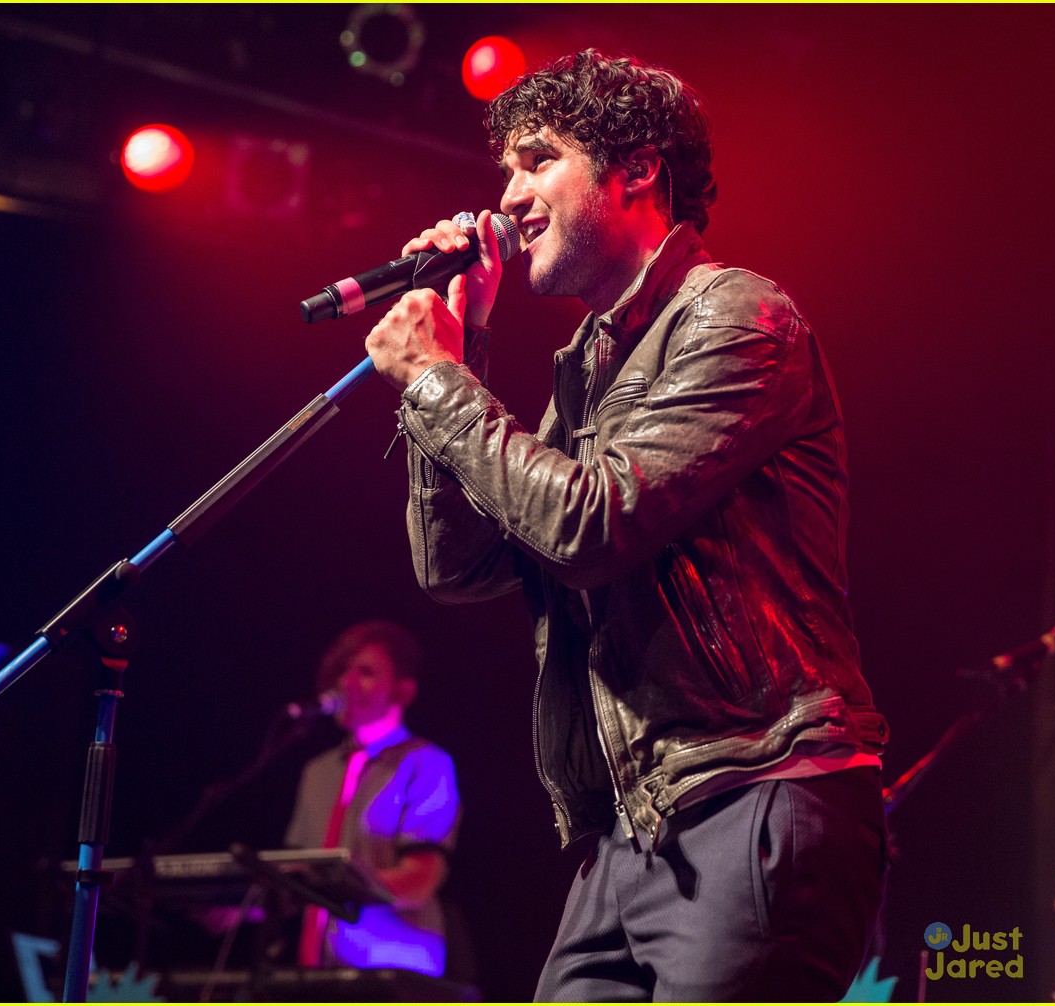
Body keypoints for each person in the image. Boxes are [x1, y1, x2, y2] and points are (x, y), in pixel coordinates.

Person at [363, 49, 890, 1002]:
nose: (509, 198)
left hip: (756, 788)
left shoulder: (739, 314)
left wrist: (436, 383)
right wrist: (465, 347)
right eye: (508, 171)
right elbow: (458, 562)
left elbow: (591, 526)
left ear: (638, 168)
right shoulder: (587, 366)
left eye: (537, 160)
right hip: (631, 829)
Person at [283, 620, 461, 978]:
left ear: (402, 691)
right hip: (316, 970)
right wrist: (241, 901)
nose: (346, 683)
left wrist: (341, 885)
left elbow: (420, 880)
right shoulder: (317, 772)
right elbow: (295, 878)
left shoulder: (426, 764)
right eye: (343, 670)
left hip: (395, 970)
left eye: (364, 672)